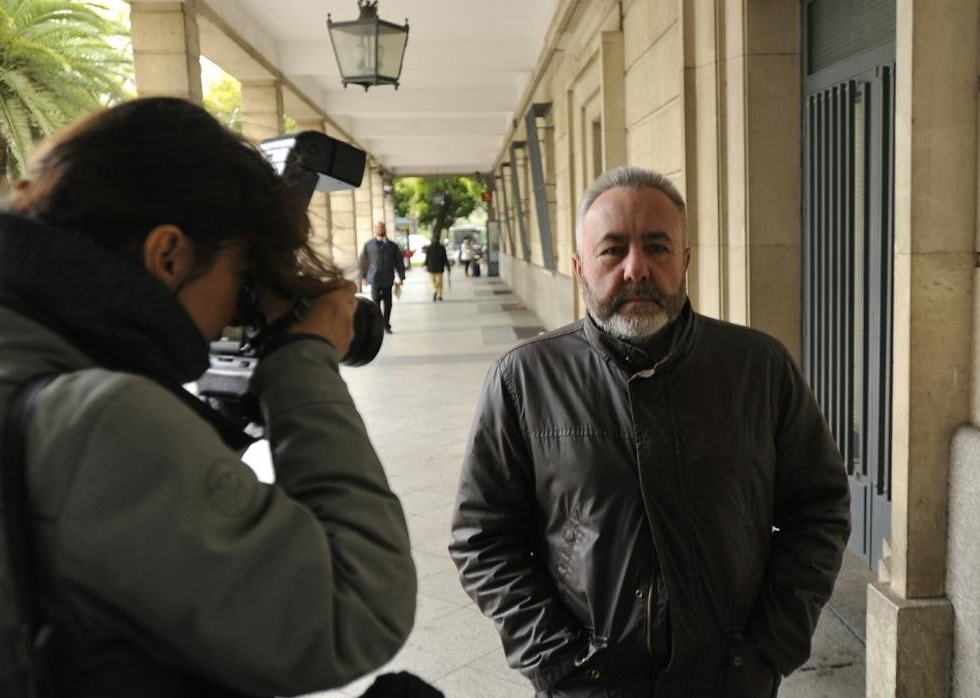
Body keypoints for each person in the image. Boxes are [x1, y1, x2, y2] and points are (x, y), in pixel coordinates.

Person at [0, 98, 417, 696]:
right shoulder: (96, 422)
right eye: (239, 275)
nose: (234, 308)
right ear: (168, 254)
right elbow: (357, 607)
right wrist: (303, 363)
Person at [450, 166, 850, 697]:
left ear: (684, 260)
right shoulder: (523, 380)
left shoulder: (759, 367)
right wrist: (560, 661)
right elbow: (482, 539)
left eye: (657, 248)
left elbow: (819, 510)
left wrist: (767, 649)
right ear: (579, 268)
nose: (636, 268)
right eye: (613, 251)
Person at [358, 222, 405, 333]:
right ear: (375, 229)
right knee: (375, 303)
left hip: (388, 279)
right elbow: (363, 262)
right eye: (378, 227)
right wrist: (363, 276)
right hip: (374, 279)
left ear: (385, 229)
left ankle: (386, 325)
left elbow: (399, 262)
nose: (380, 229)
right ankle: (379, 325)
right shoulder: (368, 245)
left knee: (388, 303)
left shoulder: (392, 246)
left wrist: (401, 276)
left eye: (382, 227)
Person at [424, 234, 448, 302]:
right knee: (439, 282)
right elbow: (445, 258)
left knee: (432, 281)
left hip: (431, 267)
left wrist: (426, 265)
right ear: (439, 239)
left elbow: (427, 258)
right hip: (440, 267)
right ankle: (439, 295)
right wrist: (448, 266)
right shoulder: (442, 247)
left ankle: (434, 290)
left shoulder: (429, 247)